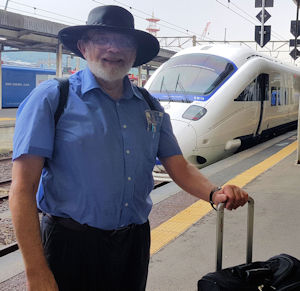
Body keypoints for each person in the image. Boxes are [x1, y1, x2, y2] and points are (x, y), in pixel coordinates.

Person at [9, 5, 249, 291]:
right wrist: (36, 271)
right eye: (101, 39)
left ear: (134, 53)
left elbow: (178, 165)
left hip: (133, 243)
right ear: (84, 47)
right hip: (69, 245)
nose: (113, 48)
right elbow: (23, 188)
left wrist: (214, 193)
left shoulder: (149, 105)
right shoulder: (51, 99)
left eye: (124, 41)